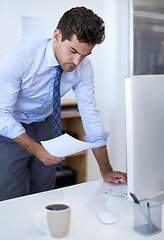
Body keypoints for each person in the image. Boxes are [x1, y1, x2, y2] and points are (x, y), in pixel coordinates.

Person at [0, 6, 127, 201]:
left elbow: (90, 115)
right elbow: (2, 114)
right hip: (13, 126)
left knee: (45, 191)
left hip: (47, 123)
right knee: (11, 194)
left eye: (85, 55)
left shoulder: (83, 67)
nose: (77, 62)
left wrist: (106, 170)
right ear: (57, 36)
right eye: (73, 51)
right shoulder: (18, 59)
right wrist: (36, 149)